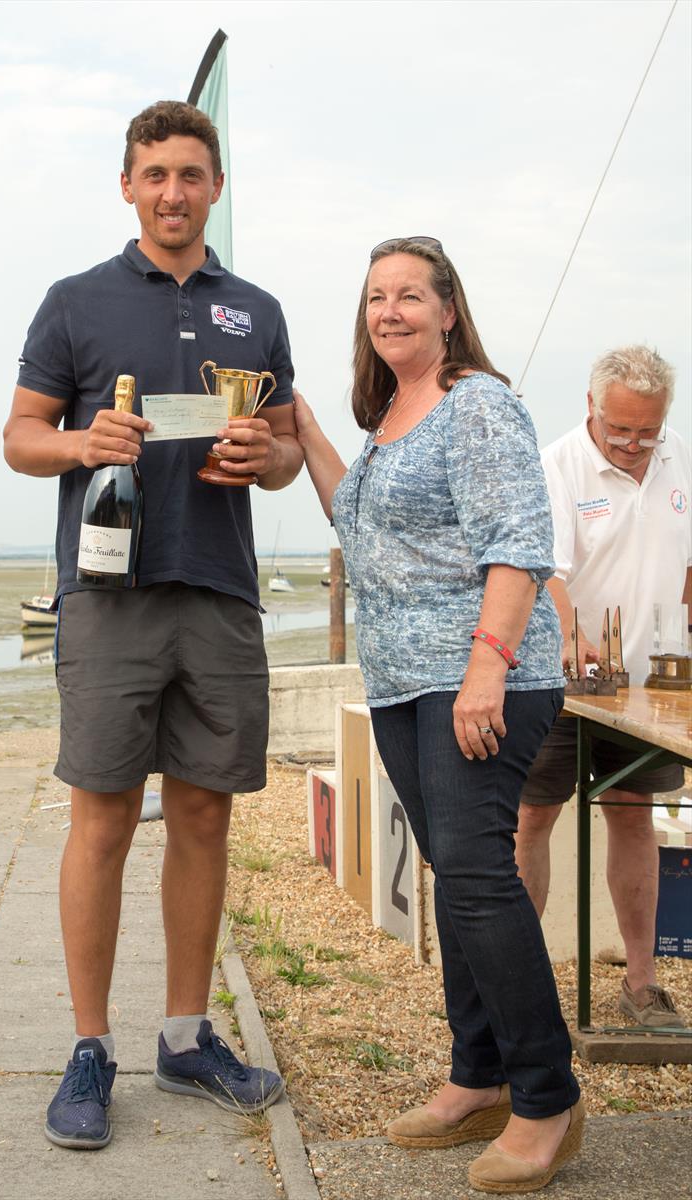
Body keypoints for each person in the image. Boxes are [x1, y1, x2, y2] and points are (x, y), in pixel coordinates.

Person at [3, 100, 303, 1149]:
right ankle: (90, 1047)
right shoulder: (74, 301)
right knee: (100, 820)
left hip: (218, 590)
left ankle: (185, 1038)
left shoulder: (254, 310)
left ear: (214, 185)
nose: (172, 191)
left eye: (189, 173)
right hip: (107, 597)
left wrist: (258, 460)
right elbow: (19, 438)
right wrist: (84, 441)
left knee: (207, 819)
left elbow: (284, 449)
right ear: (126, 187)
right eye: (153, 174)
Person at [293, 236, 583, 1194]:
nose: (390, 311)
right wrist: (305, 432)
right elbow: (362, 528)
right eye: (376, 297)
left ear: (449, 309)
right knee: (455, 878)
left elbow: (519, 547)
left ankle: (547, 1100)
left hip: (481, 677)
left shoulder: (479, 406)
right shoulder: (388, 421)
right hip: (403, 687)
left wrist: (486, 671)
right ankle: (478, 1075)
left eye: (410, 295)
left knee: (476, 874)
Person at [516, 345, 691, 1029]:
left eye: (646, 431)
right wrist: (567, 638)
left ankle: (642, 985)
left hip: (648, 685)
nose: (633, 445)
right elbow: (546, 571)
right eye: (620, 430)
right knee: (533, 816)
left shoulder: (678, 455)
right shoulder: (557, 465)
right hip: (559, 685)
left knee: (632, 812)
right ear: (592, 408)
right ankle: (523, 987)